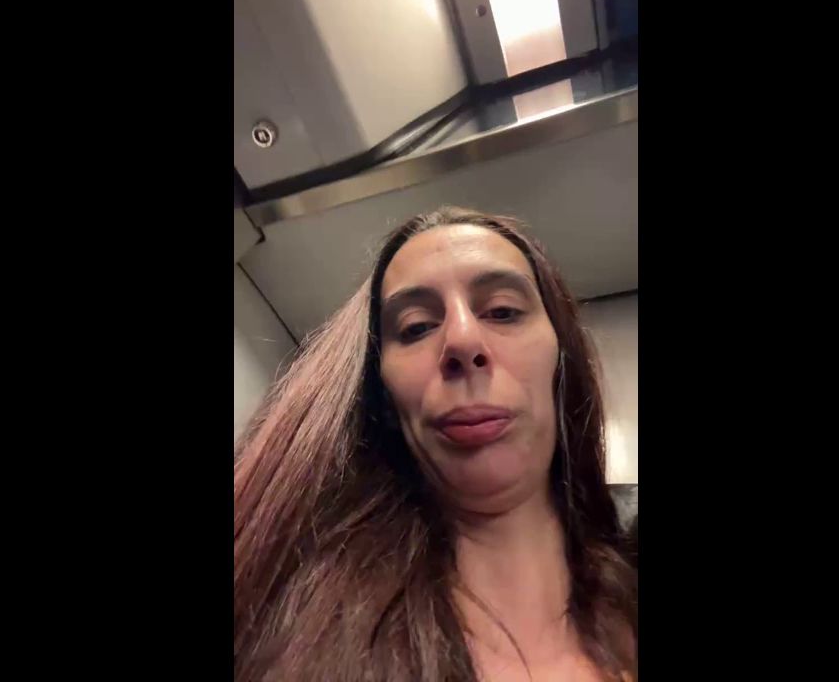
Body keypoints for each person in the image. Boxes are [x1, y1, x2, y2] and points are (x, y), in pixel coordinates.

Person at [234, 207, 636, 681]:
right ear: (384, 399)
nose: (462, 340)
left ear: (561, 360)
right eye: (416, 327)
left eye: (503, 311)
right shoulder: (294, 648)